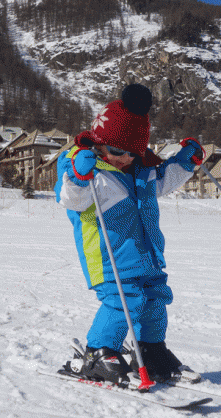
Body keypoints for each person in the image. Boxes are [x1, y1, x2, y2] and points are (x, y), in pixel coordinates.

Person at [54, 84, 203, 387]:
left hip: (146, 254)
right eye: (116, 151)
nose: (123, 158)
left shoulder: (141, 171)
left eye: (132, 153)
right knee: (123, 302)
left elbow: (165, 178)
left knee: (154, 299)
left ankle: (151, 351)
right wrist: (80, 176)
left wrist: (187, 161)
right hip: (108, 257)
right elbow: (71, 199)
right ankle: (98, 352)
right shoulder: (86, 169)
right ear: (99, 143)